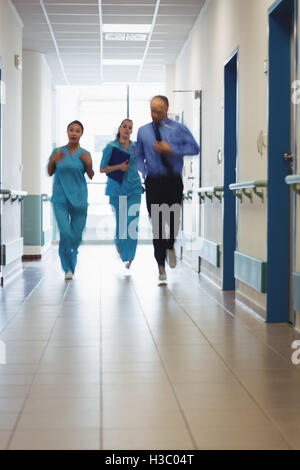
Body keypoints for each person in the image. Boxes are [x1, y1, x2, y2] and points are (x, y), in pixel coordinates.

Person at [135, 95, 199, 282]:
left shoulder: (179, 128)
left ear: (166, 109)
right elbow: (138, 155)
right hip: (153, 181)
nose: (154, 114)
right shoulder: (143, 131)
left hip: (173, 179)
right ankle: (160, 264)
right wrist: (144, 172)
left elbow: (194, 148)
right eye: (152, 110)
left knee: (172, 219)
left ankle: (170, 244)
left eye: (158, 110)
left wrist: (171, 149)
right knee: (157, 223)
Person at [48, 120, 94, 280]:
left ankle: (72, 256)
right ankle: (67, 267)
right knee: (65, 233)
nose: (74, 133)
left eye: (78, 131)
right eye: (71, 130)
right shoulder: (58, 152)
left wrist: (88, 165)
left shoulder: (85, 154)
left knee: (76, 236)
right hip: (60, 198)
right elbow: (50, 171)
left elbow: (91, 175)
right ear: (67, 132)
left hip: (79, 199)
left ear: (81, 134)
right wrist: (53, 160)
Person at [100, 119, 142, 269]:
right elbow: (102, 169)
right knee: (122, 223)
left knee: (133, 222)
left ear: (131, 131)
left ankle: (129, 256)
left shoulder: (136, 147)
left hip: (134, 189)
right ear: (119, 128)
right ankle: (119, 244)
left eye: (130, 127)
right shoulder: (111, 147)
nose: (127, 129)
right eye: (124, 126)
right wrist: (119, 166)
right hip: (117, 190)